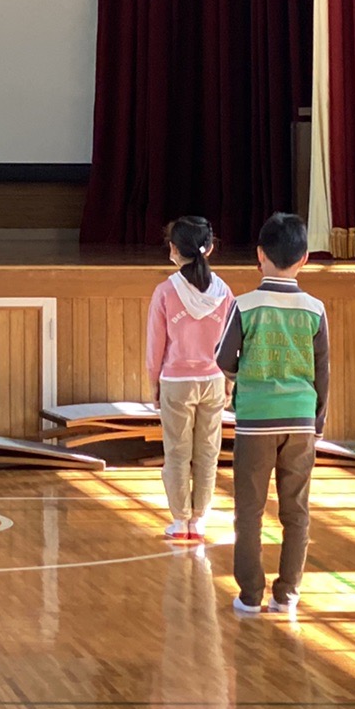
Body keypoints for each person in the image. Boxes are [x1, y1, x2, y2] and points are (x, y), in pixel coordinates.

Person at [215, 212, 327, 615]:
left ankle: (250, 595)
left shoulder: (244, 305)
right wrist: (317, 422)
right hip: (300, 420)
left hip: (256, 421)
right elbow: (322, 370)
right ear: (305, 258)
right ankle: (288, 592)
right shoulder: (315, 309)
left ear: (259, 255)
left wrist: (240, 378)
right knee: (296, 510)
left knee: (249, 510)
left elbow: (223, 359)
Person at [147, 214, 231, 544]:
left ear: (173, 249)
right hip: (213, 379)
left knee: (177, 452)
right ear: (209, 249)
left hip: (175, 382)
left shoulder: (165, 292)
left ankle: (180, 519)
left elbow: (156, 344)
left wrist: (153, 381)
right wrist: (229, 381)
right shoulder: (224, 293)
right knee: (208, 452)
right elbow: (231, 342)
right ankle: (199, 520)